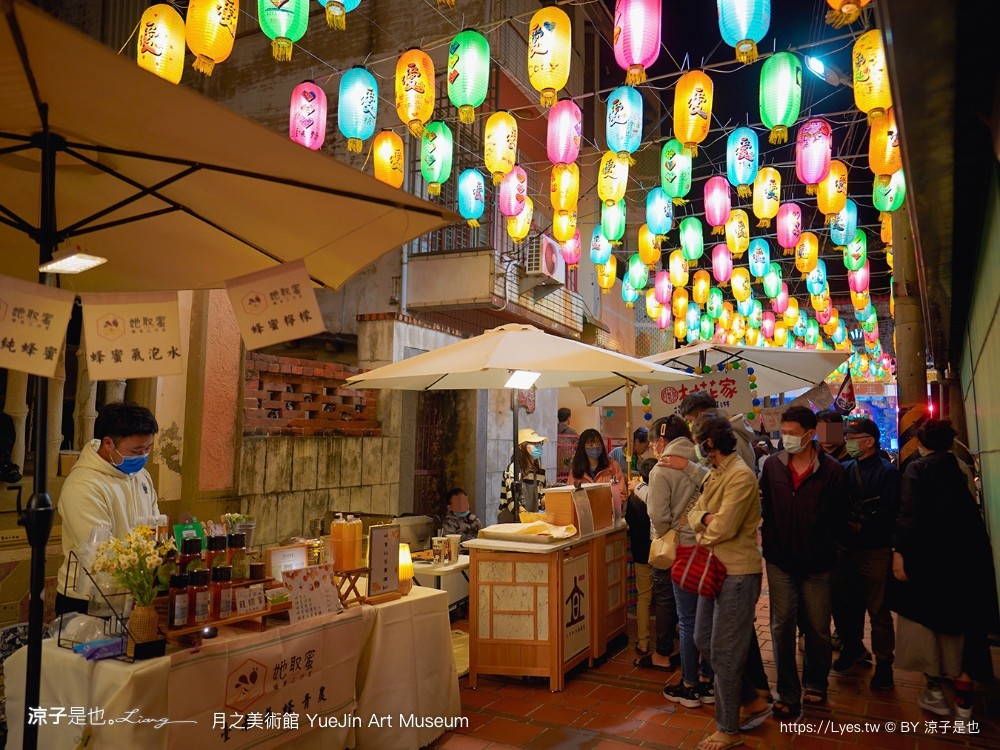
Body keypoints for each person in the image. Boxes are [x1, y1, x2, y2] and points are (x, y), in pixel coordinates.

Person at [891, 420, 997, 720]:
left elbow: (908, 515)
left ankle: (934, 692)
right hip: (967, 560)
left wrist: (899, 553)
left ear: (921, 444)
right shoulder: (962, 468)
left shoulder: (917, 469)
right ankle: (964, 704)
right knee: (966, 630)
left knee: (927, 627)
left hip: (928, 560)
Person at [760, 406, 848, 719]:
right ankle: (787, 690)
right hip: (779, 559)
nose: (786, 438)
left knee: (818, 627)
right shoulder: (773, 465)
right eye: (783, 433)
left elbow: (840, 516)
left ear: (811, 434)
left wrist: (829, 548)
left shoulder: (833, 470)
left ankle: (815, 682)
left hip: (818, 562)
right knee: (781, 625)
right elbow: (766, 508)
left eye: (793, 434)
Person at [686, 412, 766, 750]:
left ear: (709, 443)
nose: (697, 450)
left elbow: (724, 528)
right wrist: (706, 520)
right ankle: (750, 698)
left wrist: (705, 525)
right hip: (715, 568)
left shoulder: (740, 476)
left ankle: (728, 728)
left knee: (726, 650)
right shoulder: (715, 474)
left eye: (698, 442)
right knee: (703, 638)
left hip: (737, 572)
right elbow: (694, 515)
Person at [56, 402, 160, 615]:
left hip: (134, 593)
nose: (142, 456)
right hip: (88, 598)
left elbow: (155, 526)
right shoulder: (83, 485)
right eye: (136, 451)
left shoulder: (141, 476)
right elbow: (98, 551)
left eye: (148, 449)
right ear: (108, 443)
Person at [644, 415, 710, 697]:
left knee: (687, 619)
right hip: (707, 544)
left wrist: (665, 533)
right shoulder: (703, 461)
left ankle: (690, 683)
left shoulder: (661, 469)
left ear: (661, 440)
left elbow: (658, 515)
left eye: (653, 442)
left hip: (681, 548)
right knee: (707, 616)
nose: (653, 447)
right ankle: (708, 678)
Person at [831, 418, 899, 690]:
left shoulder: (887, 472)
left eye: (853, 438)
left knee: (879, 610)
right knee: (846, 605)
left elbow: (891, 512)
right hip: (845, 548)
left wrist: (864, 525)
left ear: (869, 441)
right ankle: (853, 647)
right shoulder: (845, 468)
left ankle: (884, 664)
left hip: (875, 550)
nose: (848, 442)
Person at [678, 391, 758, 477]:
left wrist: (688, 466)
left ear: (702, 415)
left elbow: (723, 476)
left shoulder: (726, 437)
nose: (690, 427)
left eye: (690, 421)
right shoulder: (729, 431)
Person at [624, 457, 658, 658]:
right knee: (664, 598)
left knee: (643, 597)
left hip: (641, 553)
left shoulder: (634, 498)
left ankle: (643, 642)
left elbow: (629, 520)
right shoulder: (661, 496)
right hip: (661, 553)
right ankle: (665, 641)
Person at [499, 428, 548, 522]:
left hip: (531, 520)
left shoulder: (540, 471)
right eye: (534, 444)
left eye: (539, 443)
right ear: (521, 447)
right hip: (512, 522)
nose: (538, 447)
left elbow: (541, 499)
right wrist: (526, 516)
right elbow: (512, 502)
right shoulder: (513, 469)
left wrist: (552, 498)